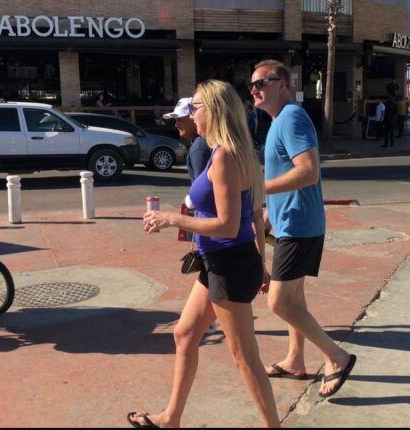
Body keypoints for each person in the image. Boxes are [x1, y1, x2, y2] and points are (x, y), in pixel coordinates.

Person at [130, 79, 279, 428]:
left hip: (228, 263)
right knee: (184, 334)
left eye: (195, 107)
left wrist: (172, 218)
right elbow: (252, 215)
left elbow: (228, 225)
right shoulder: (226, 151)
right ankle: (171, 418)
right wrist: (261, 262)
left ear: (213, 110)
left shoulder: (227, 156)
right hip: (221, 262)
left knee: (245, 358)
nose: (190, 113)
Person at [250, 59, 356, 398]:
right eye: (251, 85)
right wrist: (267, 216)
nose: (254, 89)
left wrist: (257, 189)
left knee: (279, 303)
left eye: (262, 82)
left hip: (299, 226)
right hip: (289, 224)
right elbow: (285, 178)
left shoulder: (291, 117)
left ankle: (336, 356)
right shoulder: (280, 121)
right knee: (294, 297)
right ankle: (296, 360)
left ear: (282, 84)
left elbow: (308, 172)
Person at [164, 97, 216, 335]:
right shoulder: (204, 145)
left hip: (211, 229)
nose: (178, 124)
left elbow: (203, 190)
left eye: (183, 118)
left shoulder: (199, 148)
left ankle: (208, 320)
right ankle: (209, 318)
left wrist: (184, 209)